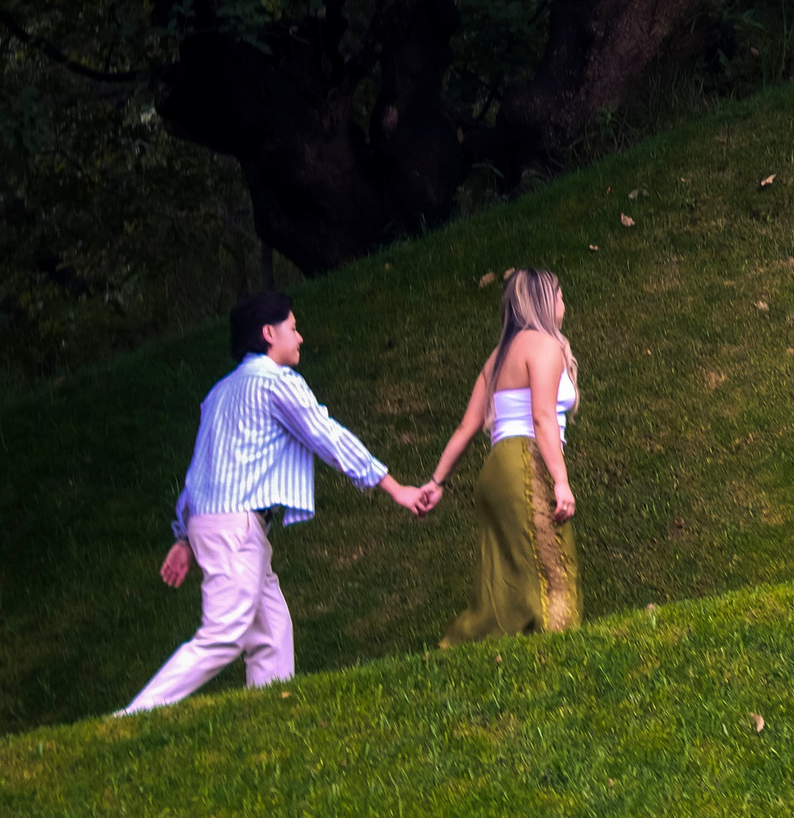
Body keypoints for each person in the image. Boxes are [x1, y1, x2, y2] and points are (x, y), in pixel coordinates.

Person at [123, 292, 432, 714]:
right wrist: (396, 488)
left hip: (219, 524)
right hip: (236, 528)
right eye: (293, 328)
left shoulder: (220, 392)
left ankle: (270, 718)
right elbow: (327, 436)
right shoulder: (275, 382)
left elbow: (201, 470)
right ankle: (131, 717)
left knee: (272, 632)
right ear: (269, 333)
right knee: (222, 635)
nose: (300, 337)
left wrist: (184, 537)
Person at [423, 267, 582, 642]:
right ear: (543, 301)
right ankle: (560, 647)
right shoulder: (545, 346)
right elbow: (542, 417)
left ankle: (473, 645)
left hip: (497, 469)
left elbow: (466, 428)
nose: (564, 301)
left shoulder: (498, 356)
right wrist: (560, 481)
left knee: (507, 574)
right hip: (526, 463)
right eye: (559, 294)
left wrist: (436, 481)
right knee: (554, 565)